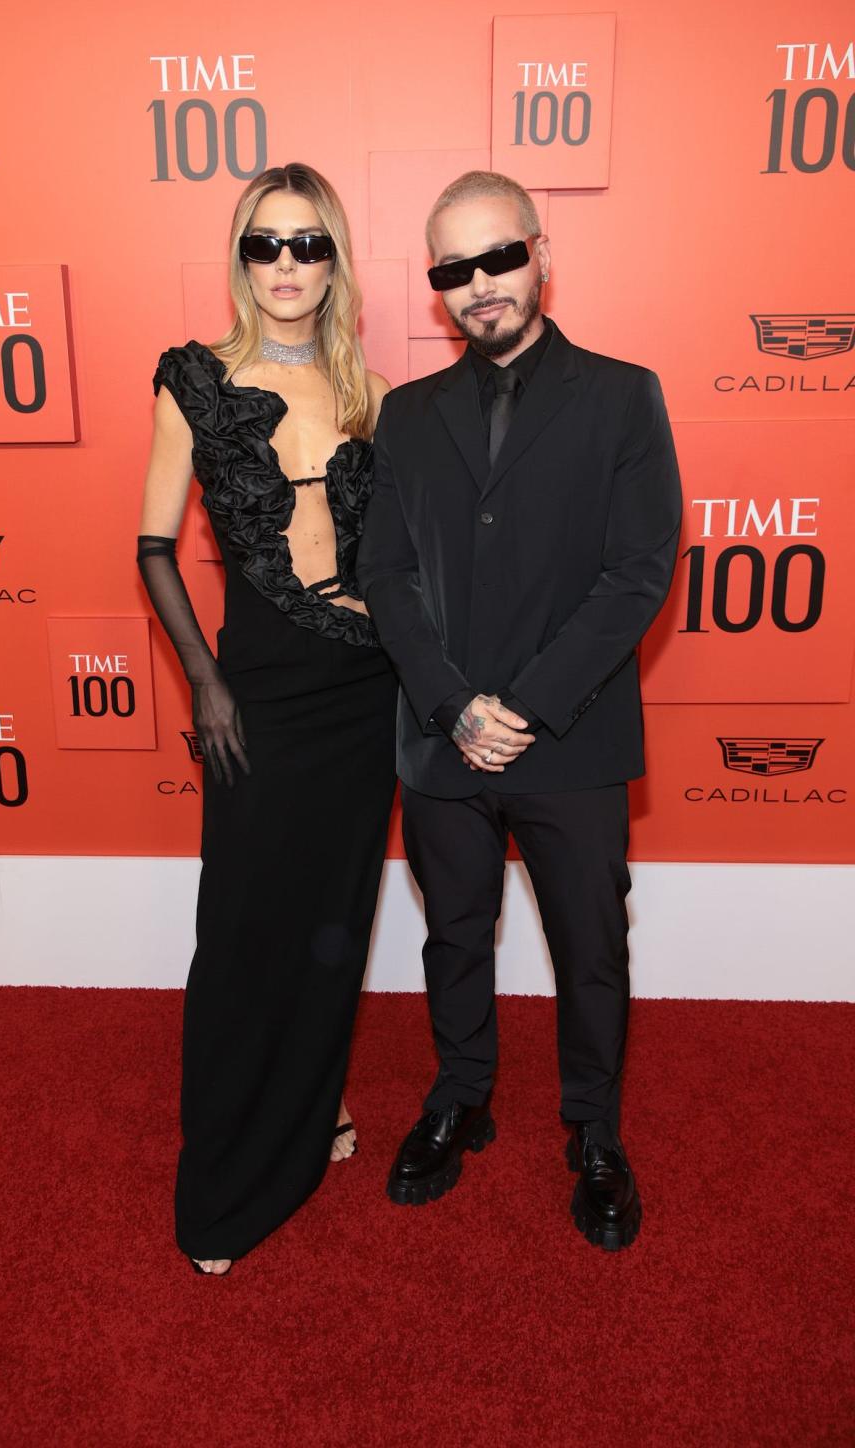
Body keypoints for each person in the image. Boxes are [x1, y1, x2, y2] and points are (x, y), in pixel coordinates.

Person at [357, 170, 681, 1251]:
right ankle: (461, 1094)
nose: (480, 285)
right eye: (455, 269)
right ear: (438, 286)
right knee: (456, 936)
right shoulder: (405, 416)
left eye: (499, 257)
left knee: (591, 946)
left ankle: (594, 1131)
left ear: (542, 252)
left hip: (574, 737)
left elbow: (638, 573)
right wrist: (454, 706)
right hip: (441, 739)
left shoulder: (624, 393)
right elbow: (388, 578)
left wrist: (528, 706)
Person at [138, 163, 396, 1275]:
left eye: (309, 245)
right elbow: (155, 546)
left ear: (334, 261)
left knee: (333, 920)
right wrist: (205, 677)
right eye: (265, 244)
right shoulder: (193, 380)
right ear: (241, 258)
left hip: (363, 688)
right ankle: (230, 1174)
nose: (287, 265)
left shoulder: (372, 390)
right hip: (257, 686)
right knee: (243, 932)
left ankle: (313, 1109)